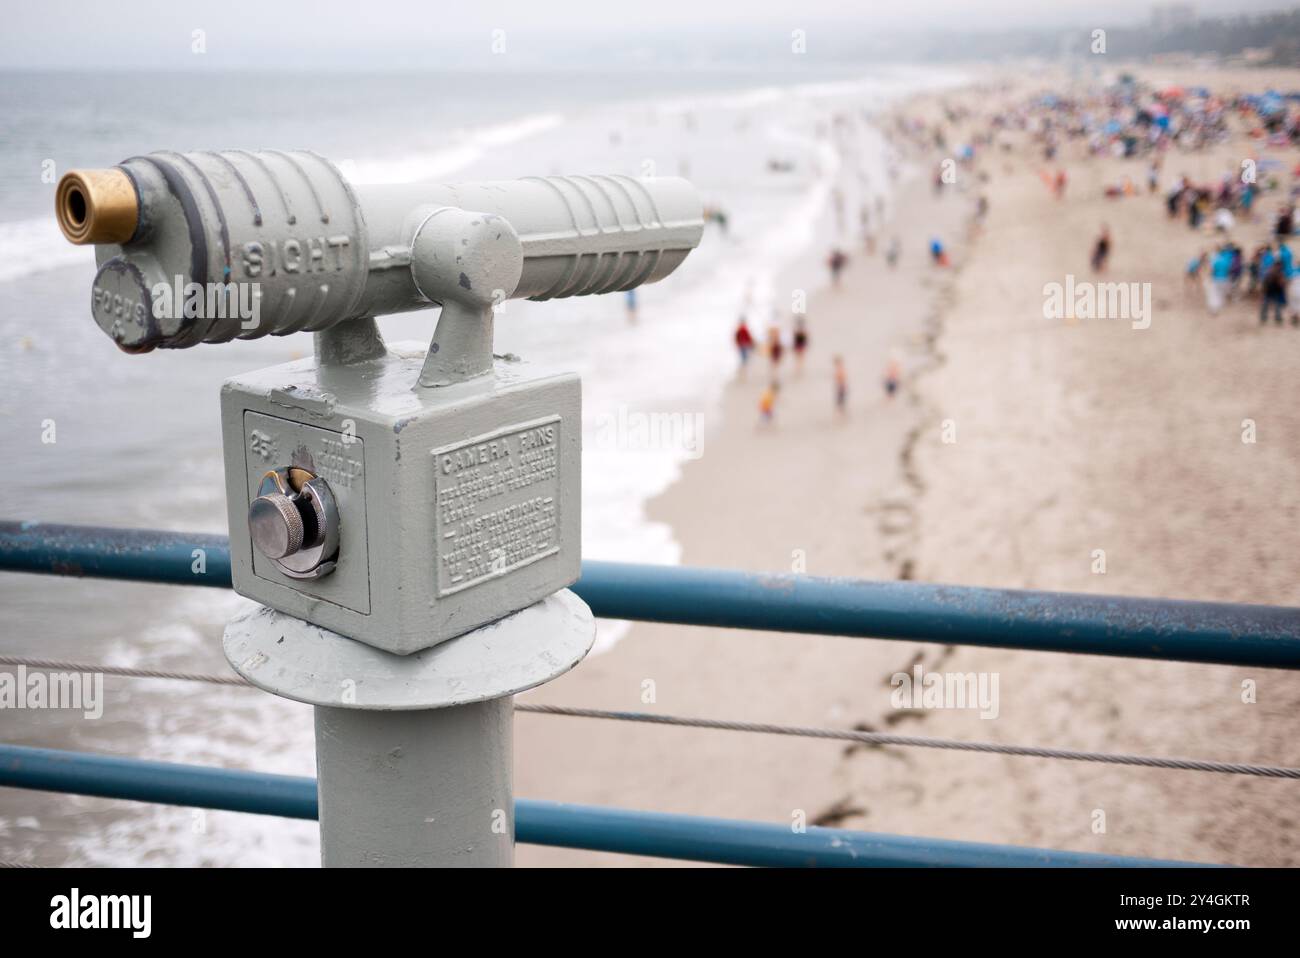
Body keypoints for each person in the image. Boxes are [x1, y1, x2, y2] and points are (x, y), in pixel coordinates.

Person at [1261, 249, 1287, 325]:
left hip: (1270, 291)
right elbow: (1281, 283)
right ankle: (1276, 318)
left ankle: (1265, 318)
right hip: (1273, 291)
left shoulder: (1270, 271)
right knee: (1276, 306)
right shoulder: (1278, 272)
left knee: (1268, 305)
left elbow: (1265, 282)